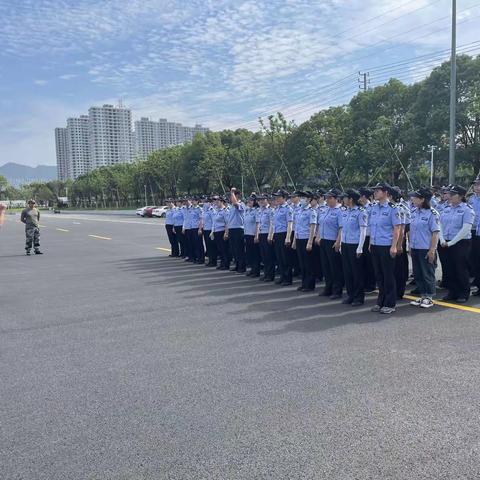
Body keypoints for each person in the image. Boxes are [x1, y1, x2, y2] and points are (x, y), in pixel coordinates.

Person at [369, 182, 402, 314]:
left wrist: (394, 246)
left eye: (378, 191)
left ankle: (390, 303)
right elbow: (373, 227)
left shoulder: (393, 208)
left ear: (386, 193)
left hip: (386, 245)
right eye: (375, 191)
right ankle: (380, 301)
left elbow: (397, 228)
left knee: (388, 275)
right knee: (379, 275)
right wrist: (371, 242)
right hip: (376, 244)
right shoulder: (374, 208)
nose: (375, 193)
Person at [439, 185, 475, 303]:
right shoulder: (446, 208)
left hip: (460, 243)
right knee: (448, 268)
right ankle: (452, 291)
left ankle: (463, 292)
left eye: (452, 194)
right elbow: (440, 225)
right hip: (445, 242)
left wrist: (451, 243)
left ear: (460, 196)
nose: (448, 196)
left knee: (460, 268)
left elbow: (465, 229)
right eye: (448, 194)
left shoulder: (467, 209)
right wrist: (442, 239)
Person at [408, 187, 440, 308]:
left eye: (415, 197)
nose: (412, 199)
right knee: (418, 273)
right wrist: (410, 246)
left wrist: (432, 250)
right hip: (415, 247)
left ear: (422, 199)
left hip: (426, 247)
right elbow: (411, 230)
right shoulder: (414, 212)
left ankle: (429, 296)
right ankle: (422, 295)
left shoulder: (432, 213)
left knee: (427, 272)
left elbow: (435, 233)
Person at [340, 189, 368, 306]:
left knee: (357, 272)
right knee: (347, 272)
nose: (343, 200)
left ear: (351, 199)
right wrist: (341, 243)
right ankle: (350, 295)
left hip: (355, 244)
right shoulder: (345, 211)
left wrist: (360, 247)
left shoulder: (361, 212)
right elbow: (343, 229)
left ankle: (358, 297)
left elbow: (363, 230)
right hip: (345, 244)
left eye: (345, 197)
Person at [316, 188, 344, 300]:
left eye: (330, 197)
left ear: (337, 199)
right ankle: (328, 287)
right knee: (326, 266)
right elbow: (320, 224)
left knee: (335, 267)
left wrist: (338, 241)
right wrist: (318, 236)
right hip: (324, 240)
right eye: (327, 197)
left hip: (333, 241)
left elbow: (341, 228)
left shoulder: (340, 211)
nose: (328, 199)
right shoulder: (325, 210)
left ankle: (337, 290)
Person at [293, 191, 318, 292]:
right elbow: (296, 226)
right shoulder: (299, 210)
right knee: (302, 263)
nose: (301, 199)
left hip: (306, 239)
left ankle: (309, 285)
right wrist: (294, 241)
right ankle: (304, 283)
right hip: (299, 238)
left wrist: (310, 242)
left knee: (309, 263)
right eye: (301, 197)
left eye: (303, 198)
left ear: (308, 199)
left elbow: (313, 227)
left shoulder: (312, 211)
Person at [271, 190, 294, 286]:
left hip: (284, 234)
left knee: (285, 257)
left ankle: (287, 278)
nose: (277, 199)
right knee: (279, 257)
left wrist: (288, 237)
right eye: (276, 197)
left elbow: (290, 223)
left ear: (284, 198)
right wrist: (272, 235)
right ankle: (282, 276)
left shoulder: (288, 209)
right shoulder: (276, 209)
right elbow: (274, 224)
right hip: (277, 234)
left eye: (279, 197)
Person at [391, 186, 409, 299]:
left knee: (399, 267)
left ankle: (399, 291)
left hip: (399, 240)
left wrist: (399, 244)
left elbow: (403, 228)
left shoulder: (401, 207)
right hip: (390, 240)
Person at [358, 187, 376, 293]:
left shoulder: (372, 207)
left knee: (370, 262)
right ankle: (364, 282)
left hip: (369, 237)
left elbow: (373, 225)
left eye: (359, 196)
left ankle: (371, 284)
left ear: (364, 196)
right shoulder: (360, 208)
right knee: (362, 261)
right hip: (361, 237)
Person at [256, 194, 275, 282]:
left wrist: (270, 235)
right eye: (260, 200)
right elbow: (259, 223)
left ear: (267, 200)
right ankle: (266, 273)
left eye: (263, 199)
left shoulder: (270, 210)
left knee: (269, 255)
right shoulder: (260, 210)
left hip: (267, 233)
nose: (261, 201)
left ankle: (270, 275)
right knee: (263, 256)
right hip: (261, 233)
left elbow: (272, 223)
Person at [227, 188, 246, 273]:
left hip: (239, 229)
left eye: (232, 195)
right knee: (234, 249)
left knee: (239, 249)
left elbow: (235, 203)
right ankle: (237, 265)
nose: (230, 197)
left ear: (237, 196)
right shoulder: (231, 206)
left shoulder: (241, 204)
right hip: (232, 229)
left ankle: (242, 266)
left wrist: (232, 192)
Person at [211, 196, 229, 270]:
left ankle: (226, 264)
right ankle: (222, 263)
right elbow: (214, 222)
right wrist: (212, 231)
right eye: (216, 202)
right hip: (216, 231)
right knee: (220, 249)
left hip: (222, 231)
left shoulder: (225, 211)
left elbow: (227, 223)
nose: (216, 203)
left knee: (224, 249)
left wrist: (226, 233)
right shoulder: (217, 210)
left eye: (218, 201)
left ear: (222, 201)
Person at [244, 194, 260, 277]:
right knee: (250, 253)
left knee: (255, 254)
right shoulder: (247, 210)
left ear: (254, 202)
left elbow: (257, 223)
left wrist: (256, 235)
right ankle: (252, 269)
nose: (249, 202)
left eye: (251, 200)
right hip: (247, 234)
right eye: (248, 200)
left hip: (253, 234)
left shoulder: (256, 211)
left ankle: (256, 270)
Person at [469, 175, 480, 294]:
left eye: (479, 184)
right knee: (475, 259)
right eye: (476, 184)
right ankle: (478, 281)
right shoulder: (472, 199)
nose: (476, 187)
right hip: (473, 231)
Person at [202, 196, 217, 267]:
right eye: (205, 202)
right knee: (208, 246)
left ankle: (213, 261)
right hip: (205, 229)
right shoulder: (206, 210)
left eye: (207, 202)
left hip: (210, 230)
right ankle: (210, 260)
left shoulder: (212, 210)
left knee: (212, 247)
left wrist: (212, 231)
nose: (205, 203)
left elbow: (214, 221)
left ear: (210, 203)